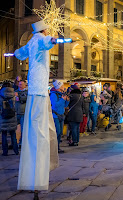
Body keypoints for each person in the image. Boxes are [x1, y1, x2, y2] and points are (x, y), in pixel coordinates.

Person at [14, 20, 59, 199]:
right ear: (44, 29)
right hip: (40, 90)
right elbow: (47, 42)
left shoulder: (31, 41)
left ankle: (30, 176)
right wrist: (53, 40)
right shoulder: (40, 39)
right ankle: (38, 176)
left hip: (34, 87)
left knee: (33, 128)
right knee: (41, 131)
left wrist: (14, 53)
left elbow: (20, 53)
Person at [50, 80, 69, 153]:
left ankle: (57, 147)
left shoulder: (61, 94)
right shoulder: (53, 95)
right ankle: (55, 148)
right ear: (59, 87)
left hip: (61, 115)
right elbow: (55, 105)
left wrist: (67, 100)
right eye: (62, 86)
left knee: (60, 132)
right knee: (57, 132)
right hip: (56, 116)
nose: (64, 87)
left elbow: (65, 105)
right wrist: (62, 99)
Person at [0, 80, 18, 156]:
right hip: (12, 117)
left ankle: (5, 152)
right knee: (13, 134)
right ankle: (16, 151)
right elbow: (16, 106)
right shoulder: (14, 95)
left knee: (4, 135)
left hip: (3, 117)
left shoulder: (0, 96)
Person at [15, 80, 28, 149]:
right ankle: (14, 142)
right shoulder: (16, 91)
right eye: (19, 84)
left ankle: (21, 143)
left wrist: (19, 98)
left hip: (23, 113)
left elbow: (26, 98)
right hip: (16, 112)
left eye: (21, 84)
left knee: (23, 129)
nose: (20, 86)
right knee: (14, 129)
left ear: (25, 85)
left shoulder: (26, 92)